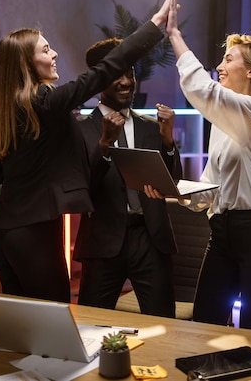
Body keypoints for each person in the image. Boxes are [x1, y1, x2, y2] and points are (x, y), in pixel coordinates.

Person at [0, 0, 181, 303]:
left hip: (4, 232)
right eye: (46, 49)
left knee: (21, 327)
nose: (54, 53)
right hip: (36, 232)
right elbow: (103, 71)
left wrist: (34, 168)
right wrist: (155, 24)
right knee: (53, 321)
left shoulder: (0, 110)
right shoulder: (43, 102)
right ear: (28, 63)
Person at [144, 0, 251, 331]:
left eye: (228, 59)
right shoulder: (222, 122)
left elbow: (205, 91)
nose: (219, 66)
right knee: (205, 322)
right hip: (221, 231)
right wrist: (168, 190)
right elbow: (210, 191)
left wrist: (174, 35)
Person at [74, 38, 181, 318]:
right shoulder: (80, 130)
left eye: (130, 73)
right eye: (116, 74)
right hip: (102, 241)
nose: (126, 81)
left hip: (151, 238)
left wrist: (168, 141)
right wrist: (104, 146)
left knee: (164, 326)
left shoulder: (150, 127)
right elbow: (82, 187)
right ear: (97, 80)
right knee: (92, 324)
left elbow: (172, 181)